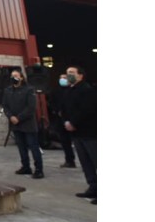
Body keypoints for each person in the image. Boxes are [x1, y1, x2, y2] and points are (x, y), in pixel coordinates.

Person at [62, 65, 97, 205]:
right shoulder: (69, 90)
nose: (68, 75)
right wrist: (65, 121)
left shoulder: (87, 90)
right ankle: (93, 187)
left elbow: (87, 109)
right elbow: (64, 108)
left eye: (72, 73)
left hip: (88, 132)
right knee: (85, 162)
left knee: (95, 160)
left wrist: (73, 122)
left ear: (80, 75)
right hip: (76, 133)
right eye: (67, 73)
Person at [2, 68, 44, 179]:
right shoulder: (8, 90)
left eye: (16, 76)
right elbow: (5, 106)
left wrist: (19, 118)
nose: (13, 78)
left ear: (21, 77)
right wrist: (10, 116)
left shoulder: (29, 90)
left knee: (33, 146)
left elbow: (31, 107)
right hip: (15, 124)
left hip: (27, 123)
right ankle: (26, 166)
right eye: (12, 76)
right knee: (21, 147)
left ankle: (39, 169)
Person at [50, 73, 77, 168]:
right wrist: (57, 111)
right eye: (61, 78)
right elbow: (51, 102)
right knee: (65, 141)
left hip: (73, 118)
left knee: (79, 141)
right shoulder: (56, 90)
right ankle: (69, 160)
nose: (62, 79)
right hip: (60, 119)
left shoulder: (73, 90)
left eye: (65, 78)